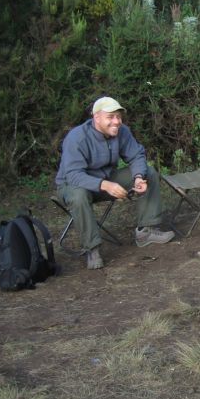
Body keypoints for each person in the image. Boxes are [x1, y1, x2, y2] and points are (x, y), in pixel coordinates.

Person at [55, 96, 175, 269]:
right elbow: (73, 175)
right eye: (110, 117)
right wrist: (106, 185)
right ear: (96, 117)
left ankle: (145, 232)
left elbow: (136, 155)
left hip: (105, 179)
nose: (116, 121)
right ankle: (92, 249)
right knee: (79, 195)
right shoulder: (77, 138)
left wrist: (138, 177)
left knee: (149, 171)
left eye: (118, 117)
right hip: (73, 185)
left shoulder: (122, 131)